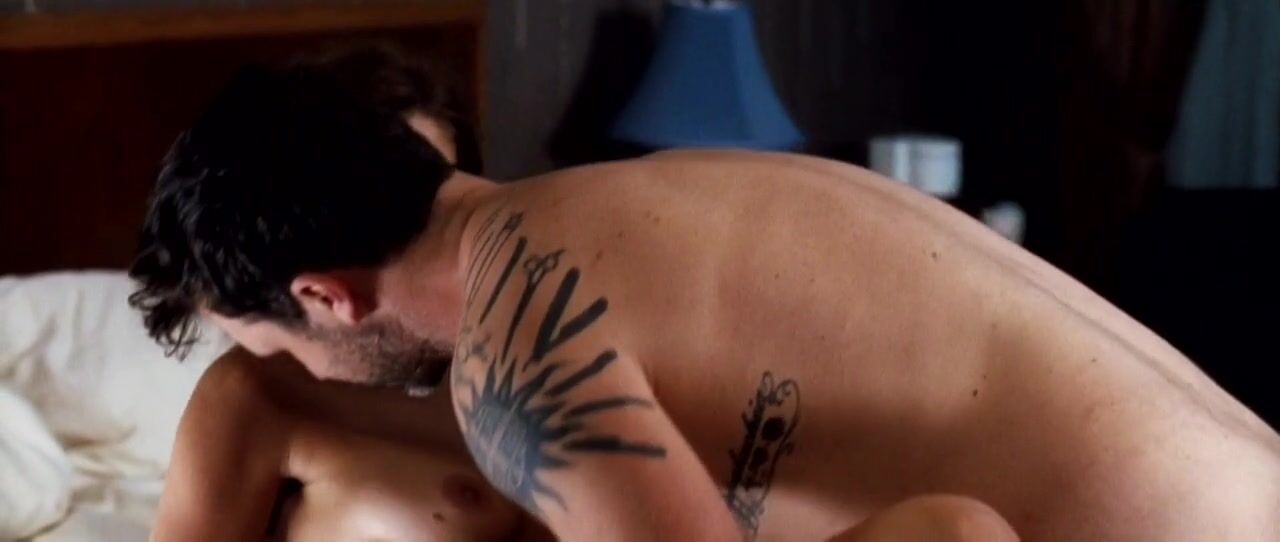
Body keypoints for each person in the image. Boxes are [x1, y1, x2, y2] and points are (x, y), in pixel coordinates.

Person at [130, 56, 1280, 541]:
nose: (294, 373)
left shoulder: (517, 352)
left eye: (272, 342)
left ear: (323, 297)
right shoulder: (646, 195)